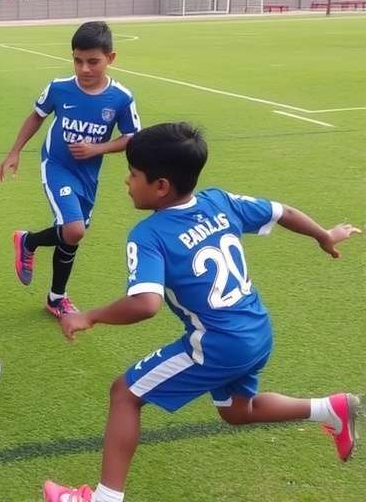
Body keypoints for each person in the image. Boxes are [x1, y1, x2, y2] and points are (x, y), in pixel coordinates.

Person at [44, 122, 361, 502]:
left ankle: (102, 499)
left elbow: (146, 304)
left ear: (160, 186)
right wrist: (323, 235)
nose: (127, 181)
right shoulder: (218, 200)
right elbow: (283, 211)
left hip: (217, 344)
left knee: (125, 394)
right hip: (256, 330)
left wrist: (89, 315)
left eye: (133, 174)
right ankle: (331, 409)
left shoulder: (149, 235)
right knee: (236, 410)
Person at [0, 21, 141, 320]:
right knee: (74, 230)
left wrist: (97, 149)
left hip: (88, 174)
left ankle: (32, 249)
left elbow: (131, 138)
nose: (84, 69)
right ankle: (55, 293)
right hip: (57, 166)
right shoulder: (59, 88)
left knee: (72, 235)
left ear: (110, 58)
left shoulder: (121, 98)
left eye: (93, 62)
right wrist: (14, 152)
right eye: (77, 60)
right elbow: (36, 117)